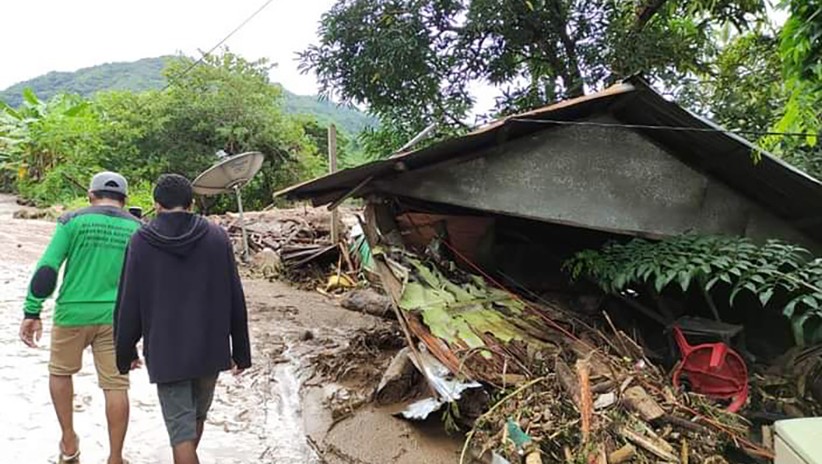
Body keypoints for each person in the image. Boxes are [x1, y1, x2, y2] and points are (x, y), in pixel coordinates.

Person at [114, 173, 251, 464]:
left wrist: (125, 350)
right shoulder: (217, 237)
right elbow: (234, 295)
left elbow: (129, 301)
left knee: (181, 433)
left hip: (167, 352)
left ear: (156, 205)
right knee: (195, 421)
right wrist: (240, 350)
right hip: (210, 348)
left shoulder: (141, 241)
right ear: (191, 204)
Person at [19, 171, 141, 464]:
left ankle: (69, 442)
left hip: (72, 313)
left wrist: (32, 310)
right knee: (116, 386)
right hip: (116, 318)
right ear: (124, 200)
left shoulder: (72, 221)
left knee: (61, 373)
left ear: (90, 196)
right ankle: (115, 457)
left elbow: (48, 268)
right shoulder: (137, 228)